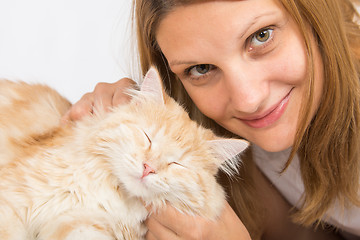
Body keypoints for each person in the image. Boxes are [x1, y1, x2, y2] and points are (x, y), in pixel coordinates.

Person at [62, 0, 360, 239]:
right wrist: (123, 125)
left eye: (261, 36)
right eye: (201, 68)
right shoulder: (245, 145)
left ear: (316, 15)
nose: (248, 100)